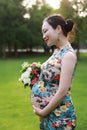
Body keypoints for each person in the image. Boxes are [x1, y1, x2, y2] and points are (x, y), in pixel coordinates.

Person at [31, 14, 77, 130]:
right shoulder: (58, 51)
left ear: (58, 29)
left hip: (60, 116)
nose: (43, 36)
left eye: (45, 31)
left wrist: (43, 112)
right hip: (51, 113)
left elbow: (62, 91)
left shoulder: (68, 55)